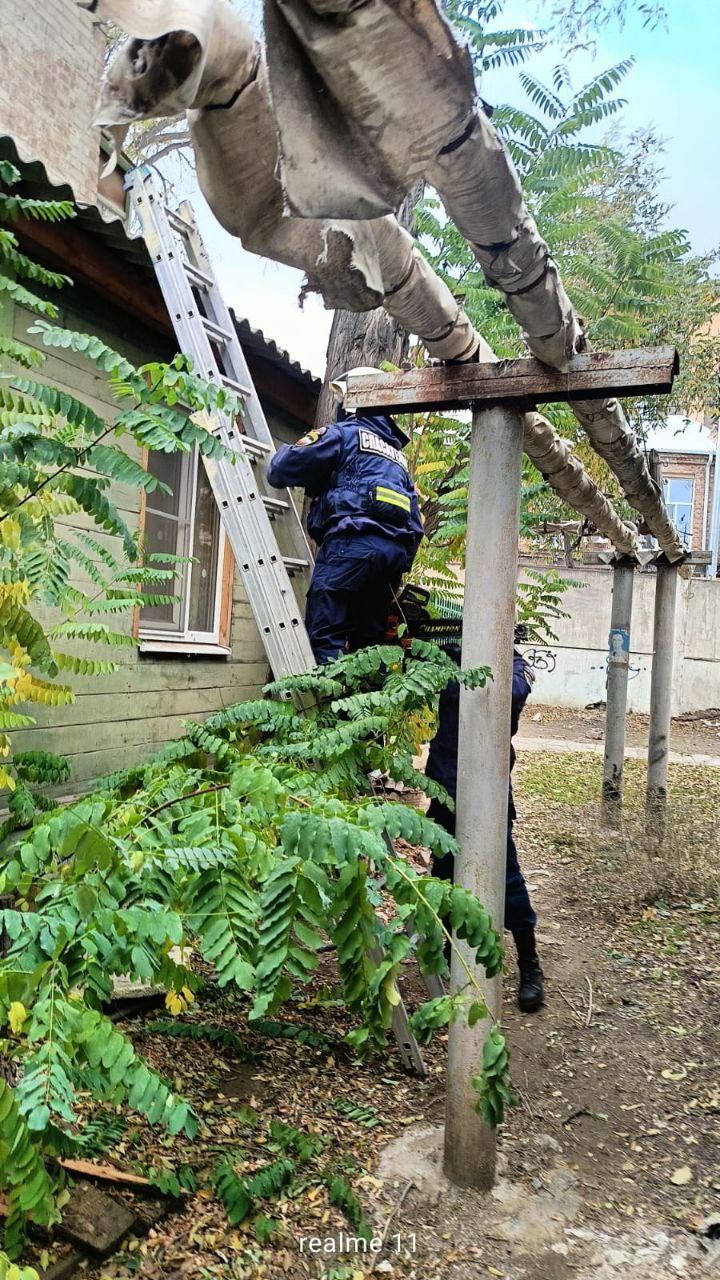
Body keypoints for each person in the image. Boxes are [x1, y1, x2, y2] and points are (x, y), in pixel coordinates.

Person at [266, 372, 423, 664]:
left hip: (349, 548)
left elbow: (280, 470)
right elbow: (416, 527)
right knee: (369, 647)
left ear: (352, 401)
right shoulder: (399, 464)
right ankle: (368, 708)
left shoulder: (345, 434)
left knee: (326, 636)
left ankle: (330, 708)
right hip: (388, 564)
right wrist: (397, 570)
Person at [425, 648, 545, 1013]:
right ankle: (447, 950)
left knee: (506, 880)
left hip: (488, 795)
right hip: (445, 787)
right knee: (444, 873)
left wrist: (478, 664)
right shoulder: (440, 657)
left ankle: (530, 964)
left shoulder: (515, 666)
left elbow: (513, 694)